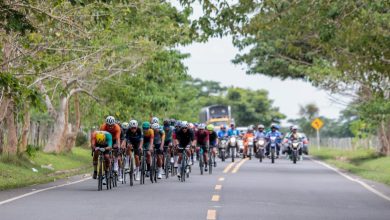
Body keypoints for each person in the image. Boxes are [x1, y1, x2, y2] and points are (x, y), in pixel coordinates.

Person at [100, 116, 123, 181]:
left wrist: (118, 146)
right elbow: (101, 137)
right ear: (106, 124)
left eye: (111, 125)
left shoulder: (117, 127)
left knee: (116, 148)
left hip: (114, 139)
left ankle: (115, 162)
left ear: (114, 124)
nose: (110, 127)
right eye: (108, 125)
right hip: (106, 139)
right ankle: (105, 172)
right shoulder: (103, 127)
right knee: (105, 156)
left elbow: (118, 138)